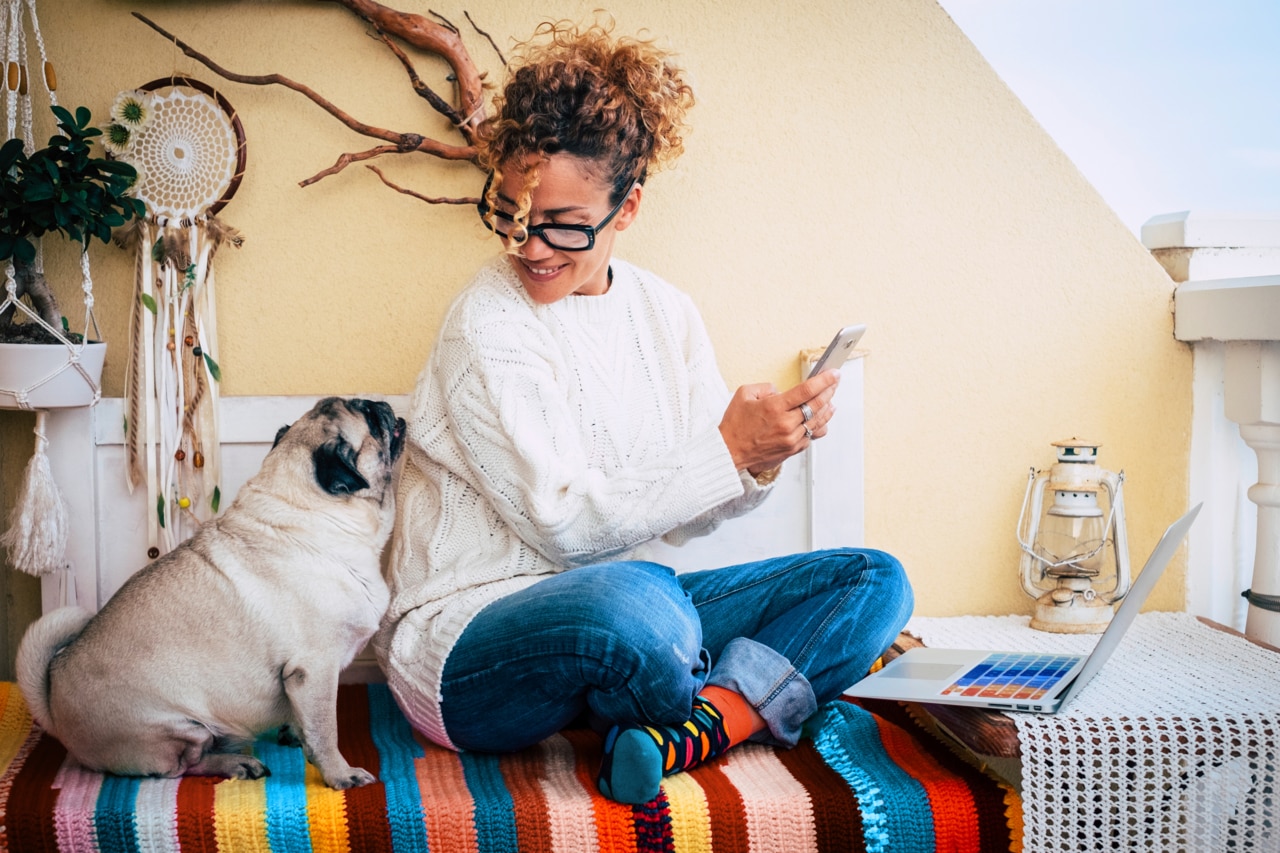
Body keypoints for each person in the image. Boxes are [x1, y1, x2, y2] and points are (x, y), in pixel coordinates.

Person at [375, 20, 913, 805]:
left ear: (626, 208)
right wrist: (725, 451)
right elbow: (562, 526)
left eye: (562, 223)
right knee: (641, 607)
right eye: (510, 214)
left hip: (625, 606)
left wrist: (760, 454)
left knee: (873, 580)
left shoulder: (667, 313)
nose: (530, 247)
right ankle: (714, 687)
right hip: (467, 643)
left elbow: (691, 512)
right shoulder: (485, 322)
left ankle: (693, 727)